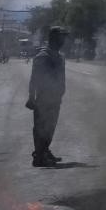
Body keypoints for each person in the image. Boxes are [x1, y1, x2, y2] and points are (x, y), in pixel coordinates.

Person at [26, 26, 69, 168]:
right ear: (54, 38)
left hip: (55, 98)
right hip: (44, 99)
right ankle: (39, 156)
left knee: (50, 127)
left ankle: (44, 151)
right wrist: (31, 97)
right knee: (41, 127)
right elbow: (34, 78)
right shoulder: (43, 56)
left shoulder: (59, 56)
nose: (64, 40)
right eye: (62, 37)